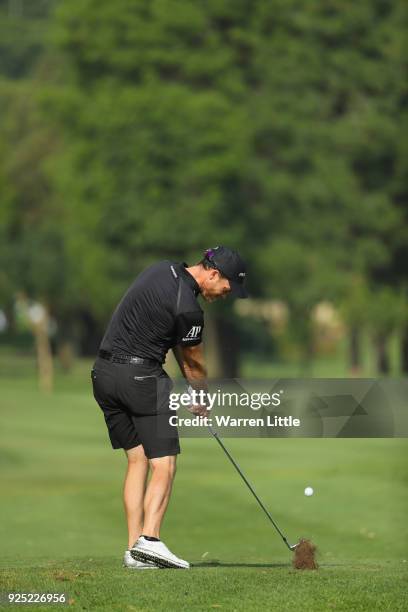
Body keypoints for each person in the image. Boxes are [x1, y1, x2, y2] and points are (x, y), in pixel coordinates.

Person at [91, 246, 247, 569]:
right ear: (214, 274)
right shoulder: (190, 309)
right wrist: (201, 396)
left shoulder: (161, 269)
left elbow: (172, 339)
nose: (224, 295)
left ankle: (134, 549)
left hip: (103, 375)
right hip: (141, 380)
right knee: (164, 465)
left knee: (137, 460)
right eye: (226, 288)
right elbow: (193, 363)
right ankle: (151, 540)